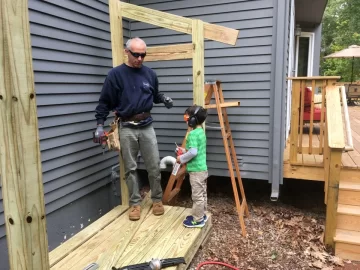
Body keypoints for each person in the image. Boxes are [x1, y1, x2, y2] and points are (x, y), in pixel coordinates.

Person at [94, 37, 174, 221]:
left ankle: (156, 200)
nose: (139, 59)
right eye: (136, 55)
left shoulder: (150, 74)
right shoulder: (115, 75)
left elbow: (154, 95)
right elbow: (104, 102)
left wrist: (164, 99)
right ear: (126, 52)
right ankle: (135, 204)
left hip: (146, 125)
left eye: (143, 55)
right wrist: (99, 125)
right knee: (130, 168)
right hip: (126, 126)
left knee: (154, 165)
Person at [176, 105, 208, 228]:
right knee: (202, 193)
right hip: (203, 169)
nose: (186, 120)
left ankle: (198, 220)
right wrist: (184, 150)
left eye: (187, 117)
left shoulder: (193, 134)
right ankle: (202, 214)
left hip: (196, 171)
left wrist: (181, 159)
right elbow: (195, 150)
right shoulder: (201, 132)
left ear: (193, 120)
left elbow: (193, 153)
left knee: (197, 196)